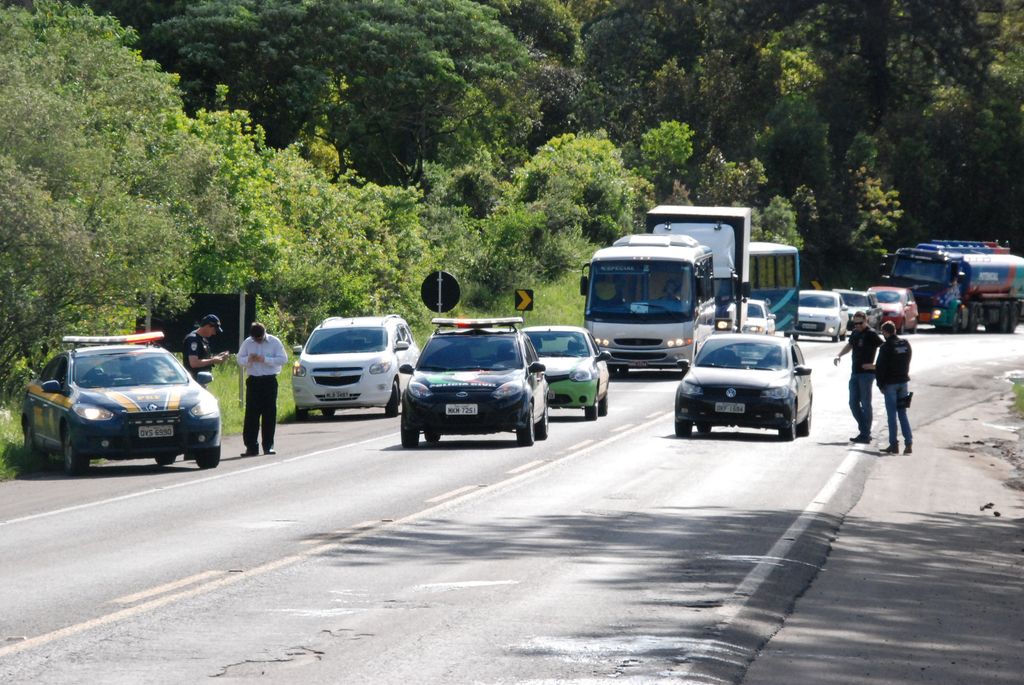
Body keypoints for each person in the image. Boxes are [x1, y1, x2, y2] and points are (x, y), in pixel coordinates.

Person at [237, 322, 288, 456]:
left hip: (269, 381)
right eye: (255, 339)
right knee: (251, 415)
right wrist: (249, 359)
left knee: (269, 414)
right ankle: (251, 447)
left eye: (260, 338)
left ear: (264, 333)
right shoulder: (248, 342)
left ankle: (268, 446)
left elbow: (283, 359)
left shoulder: (274, 342)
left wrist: (265, 359)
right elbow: (239, 359)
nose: (258, 341)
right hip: (254, 381)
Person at [833, 311, 883, 444]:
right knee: (853, 403)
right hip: (855, 372)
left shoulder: (871, 334)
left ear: (866, 321)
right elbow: (850, 345)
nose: (858, 326)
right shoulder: (855, 333)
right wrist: (839, 355)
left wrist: (875, 365)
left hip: (867, 374)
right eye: (855, 324)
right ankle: (864, 430)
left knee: (865, 403)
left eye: (860, 323)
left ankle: (865, 434)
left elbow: (884, 349)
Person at [873, 320, 913, 454]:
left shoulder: (886, 347)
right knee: (902, 413)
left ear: (885, 332)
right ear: (895, 330)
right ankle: (908, 443)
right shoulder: (905, 343)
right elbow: (908, 360)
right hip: (903, 382)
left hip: (890, 384)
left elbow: (880, 367)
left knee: (891, 415)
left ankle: (894, 444)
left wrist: (880, 384)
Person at [183, 314, 229, 379]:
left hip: (202, 380)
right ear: (207, 326)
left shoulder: (203, 339)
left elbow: (202, 358)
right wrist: (213, 360)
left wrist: (217, 357)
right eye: (214, 330)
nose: (214, 333)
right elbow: (194, 363)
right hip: (194, 380)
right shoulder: (193, 339)